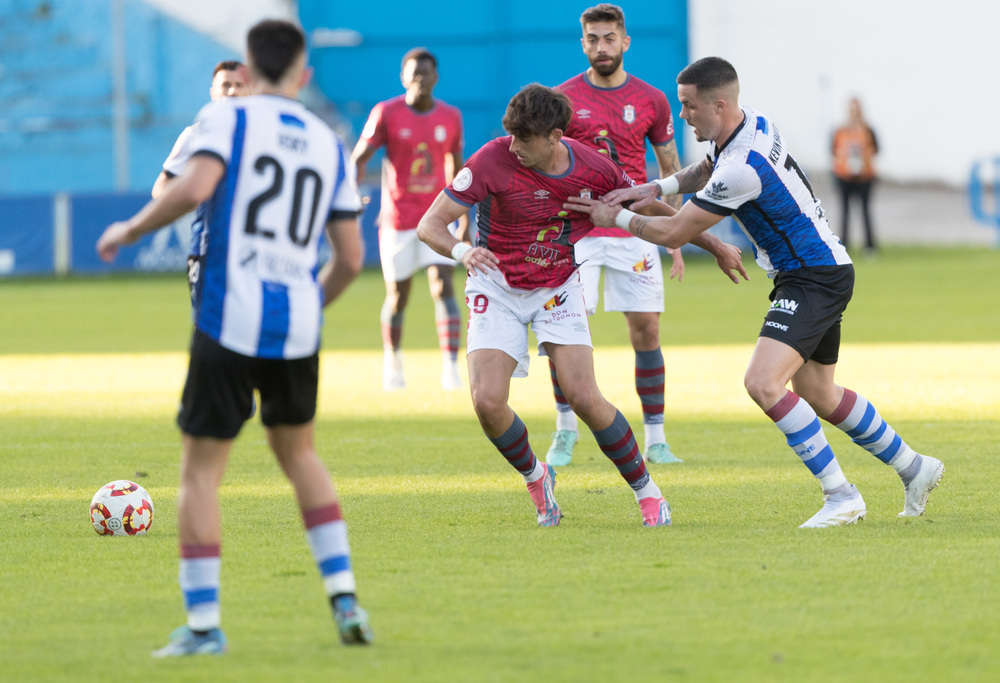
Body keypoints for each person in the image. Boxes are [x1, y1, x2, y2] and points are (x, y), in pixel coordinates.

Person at [566, 57, 944, 528]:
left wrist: (615, 217)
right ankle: (914, 467)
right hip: (821, 268)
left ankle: (841, 496)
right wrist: (651, 186)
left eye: (688, 106)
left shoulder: (743, 168)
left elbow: (675, 232)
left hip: (813, 275)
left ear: (718, 105)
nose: (681, 115)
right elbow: (705, 168)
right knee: (817, 391)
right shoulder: (752, 125)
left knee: (763, 383)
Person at [96, 19, 373, 654]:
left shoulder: (225, 119)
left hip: (228, 314)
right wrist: (310, 305)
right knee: (300, 456)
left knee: (200, 471)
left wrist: (130, 231)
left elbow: (192, 188)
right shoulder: (329, 143)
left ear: (245, 73)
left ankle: (202, 627)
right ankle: (345, 598)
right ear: (304, 75)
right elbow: (351, 258)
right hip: (296, 323)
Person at [416, 84, 743, 528]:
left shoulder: (595, 168)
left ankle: (649, 494)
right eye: (510, 136)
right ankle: (537, 476)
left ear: (554, 137)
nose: (514, 147)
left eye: (524, 140)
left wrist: (713, 244)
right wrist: (461, 251)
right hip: (495, 285)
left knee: (585, 397)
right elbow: (429, 224)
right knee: (487, 403)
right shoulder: (491, 159)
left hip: (556, 285)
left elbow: (652, 207)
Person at [547, 3, 684, 467]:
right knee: (563, 330)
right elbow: (547, 167)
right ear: (582, 43)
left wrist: (676, 232)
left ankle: (657, 439)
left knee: (646, 330)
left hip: (637, 230)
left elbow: (670, 168)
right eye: (592, 39)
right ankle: (565, 429)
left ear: (625, 42)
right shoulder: (561, 100)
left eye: (609, 38)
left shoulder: (651, 98)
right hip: (580, 230)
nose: (601, 47)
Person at [352, 48, 467, 391]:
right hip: (397, 220)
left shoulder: (450, 116)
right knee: (398, 295)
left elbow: (457, 169)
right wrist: (348, 194)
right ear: (403, 77)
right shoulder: (386, 112)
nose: (419, 79)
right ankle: (393, 361)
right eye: (413, 73)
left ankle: (450, 367)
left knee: (443, 285)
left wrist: (462, 215)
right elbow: (360, 157)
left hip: (436, 218)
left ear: (436, 77)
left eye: (425, 73)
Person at [152, 60, 248, 199]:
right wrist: (189, 199)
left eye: (239, 85)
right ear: (213, 93)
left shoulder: (264, 133)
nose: (233, 91)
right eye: (226, 85)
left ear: (250, 91)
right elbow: (161, 188)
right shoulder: (194, 134)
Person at [831, 97, 879, 254]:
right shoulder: (840, 131)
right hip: (844, 177)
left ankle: (870, 247)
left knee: (866, 211)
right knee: (844, 212)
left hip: (864, 177)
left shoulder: (868, 130)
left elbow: (876, 150)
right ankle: (844, 246)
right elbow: (833, 151)